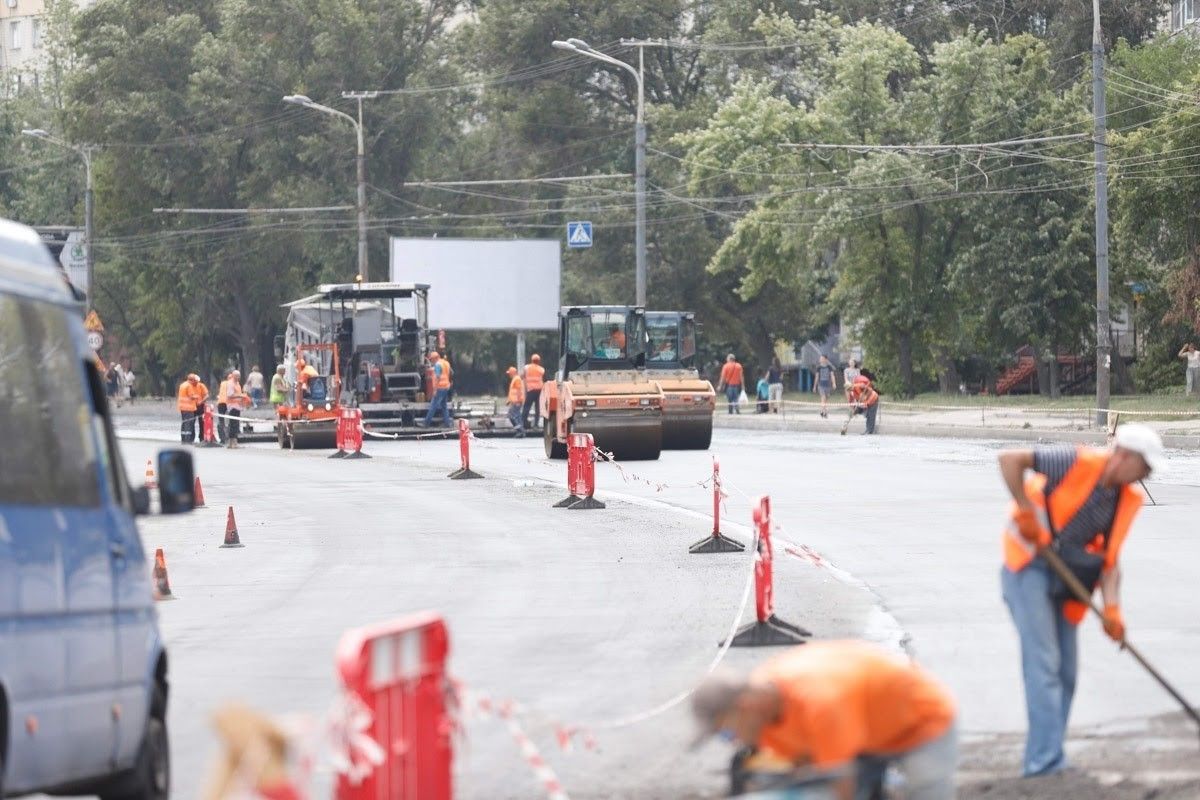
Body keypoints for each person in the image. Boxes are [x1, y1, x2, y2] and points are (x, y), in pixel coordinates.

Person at [996, 425, 1161, 777]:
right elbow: (1009, 459)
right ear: (1125, 457)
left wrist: (1113, 609)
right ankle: (1044, 763)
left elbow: (1109, 561)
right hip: (1027, 567)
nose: (1144, 477)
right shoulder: (1074, 461)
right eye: (1143, 468)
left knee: (1066, 670)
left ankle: (1051, 753)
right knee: (1043, 662)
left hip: (1066, 575)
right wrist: (1025, 512)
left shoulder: (1122, 498)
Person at [690, 641, 957, 800]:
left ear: (745, 707)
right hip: (864, 731)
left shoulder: (820, 702)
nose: (731, 742)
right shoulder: (766, 708)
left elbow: (842, 786)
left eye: (726, 733)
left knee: (926, 791)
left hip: (922, 721)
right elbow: (807, 763)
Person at [423, 351, 453, 428]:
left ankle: (426, 424)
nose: (431, 361)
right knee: (444, 406)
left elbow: (437, 377)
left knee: (433, 406)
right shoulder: (446, 363)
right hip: (446, 387)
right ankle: (447, 424)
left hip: (439, 388)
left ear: (436, 358)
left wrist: (435, 389)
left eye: (432, 359)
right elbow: (450, 373)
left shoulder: (437, 365)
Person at [223, 370, 249, 448]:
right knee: (234, 424)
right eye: (237, 376)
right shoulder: (231, 383)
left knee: (234, 424)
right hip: (232, 406)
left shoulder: (237, 383)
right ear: (233, 376)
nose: (238, 378)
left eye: (239, 376)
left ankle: (231, 443)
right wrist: (241, 396)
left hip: (237, 405)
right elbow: (230, 395)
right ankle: (233, 443)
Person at [177, 373, 203, 444]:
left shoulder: (182, 385)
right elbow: (191, 396)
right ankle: (188, 440)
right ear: (192, 380)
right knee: (189, 424)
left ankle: (184, 439)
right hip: (188, 408)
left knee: (184, 423)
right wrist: (197, 396)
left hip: (182, 407)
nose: (196, 382)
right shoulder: (189, 386)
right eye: (195, 381)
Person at [522, 353, 545, 430]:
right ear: (539, 361)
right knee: (537, 408)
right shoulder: (541, 369)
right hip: (539, 390)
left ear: (531, 360)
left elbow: (522, 376)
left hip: (531, 390)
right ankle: (536, 425)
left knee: (527, 407)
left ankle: (523, 423)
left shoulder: (526, 367)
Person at [506, 366, 525, 437]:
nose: (509, 375)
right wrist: (509, 401)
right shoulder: (515, 379)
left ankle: (520, 431)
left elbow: (519, 391)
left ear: (512, 373)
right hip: (515, 401)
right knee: (517, 416)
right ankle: (521, 431)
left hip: (516, 402)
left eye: (509, 373)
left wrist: (518, 401)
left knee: (512, 415)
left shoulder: (516, 379)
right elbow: (513, 392)